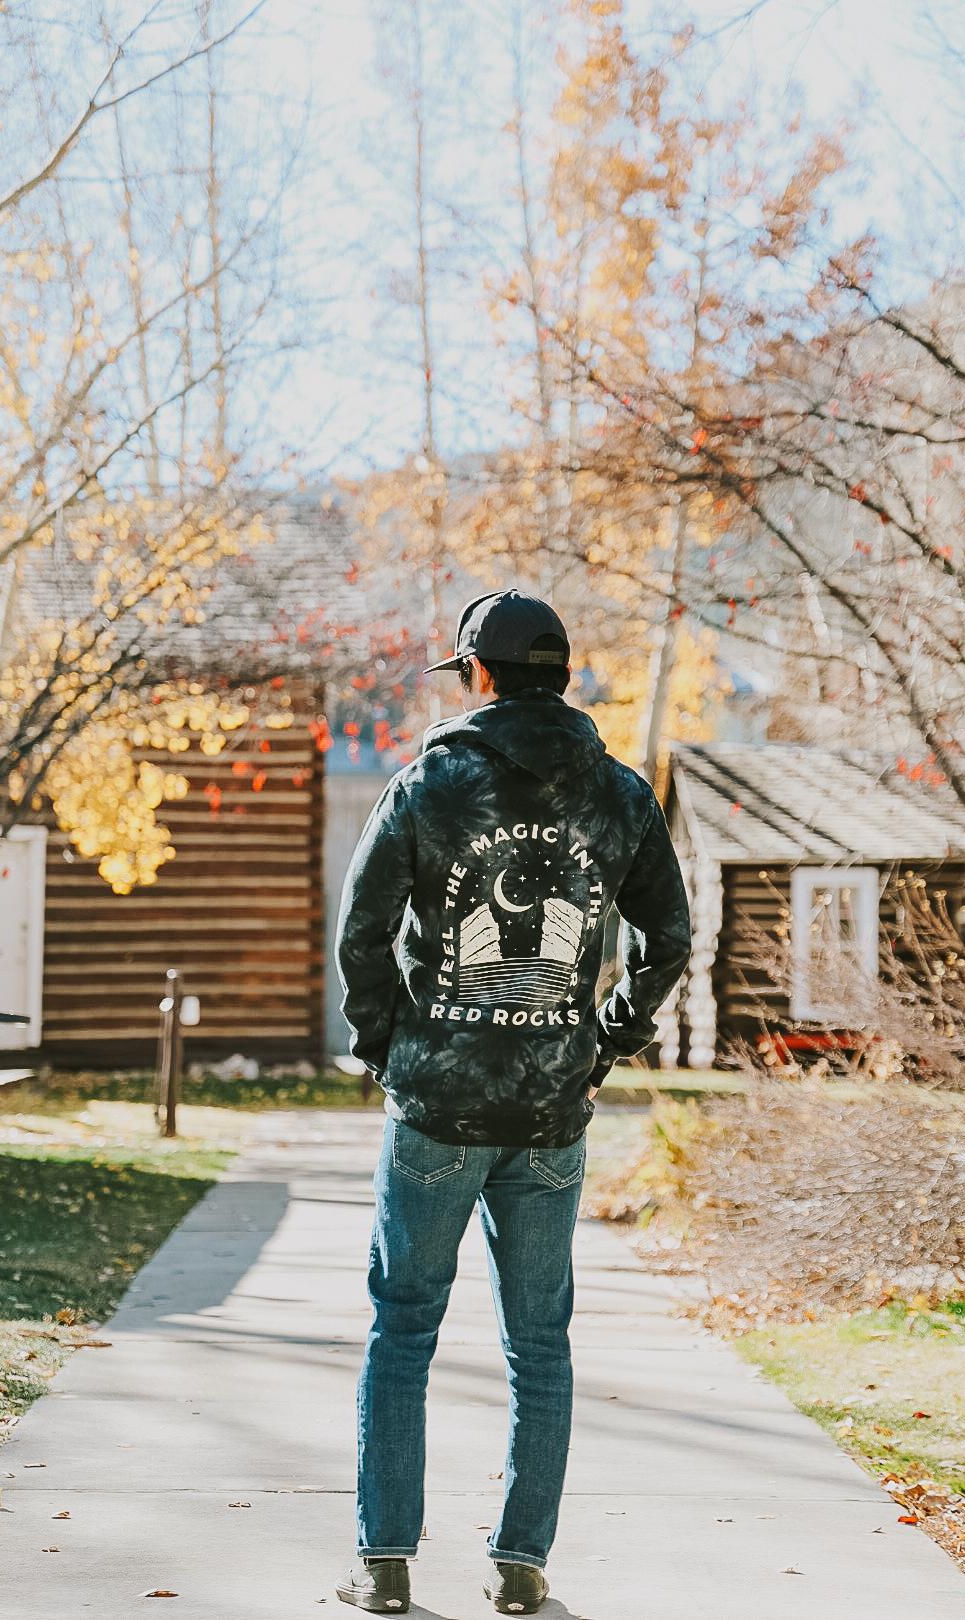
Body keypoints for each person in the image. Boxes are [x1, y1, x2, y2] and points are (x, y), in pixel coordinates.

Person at [334, 589, 691, 1616]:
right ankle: (523, 1568)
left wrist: (388, 1049)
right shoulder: (622, 795)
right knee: (539, 1343)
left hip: (436, 1108)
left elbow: (362, 933)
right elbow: (670, 940)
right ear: (560, 678)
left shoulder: (426, 784)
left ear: (478, 676)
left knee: (402, 1332)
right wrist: (603, 1044)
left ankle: (385, 1565)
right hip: (550, 1113)